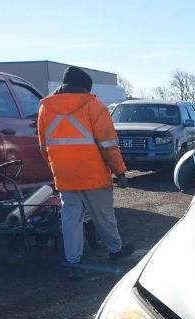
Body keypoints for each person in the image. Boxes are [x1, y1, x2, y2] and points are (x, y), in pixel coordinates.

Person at [37, 66, 133, 275]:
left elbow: (44, 148)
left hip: (64, 176)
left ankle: (73, 261)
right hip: (94, 175)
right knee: (103, 215)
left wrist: (57, 168)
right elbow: (108, 145)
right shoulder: (94, 107)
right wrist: (120, 172)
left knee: (71, 219)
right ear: (85, 88)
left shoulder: (45, 109)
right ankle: (115, 250)